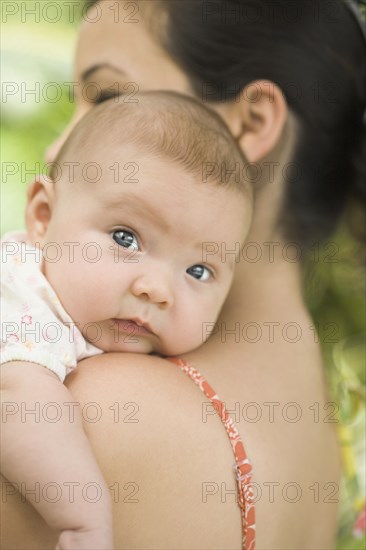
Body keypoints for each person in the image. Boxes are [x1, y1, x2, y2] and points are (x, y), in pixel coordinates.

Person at [1, 0, 365, 548]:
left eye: (107, 98)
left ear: (253, 121)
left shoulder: (79, 410)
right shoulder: (318, 438)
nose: (57, 148)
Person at [1, 91, 253, 550]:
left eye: (199, 271)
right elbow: (19, 398)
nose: (156, 289)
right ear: (44, 216)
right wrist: (83, 520)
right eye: (126, 237)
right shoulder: (21, 293)